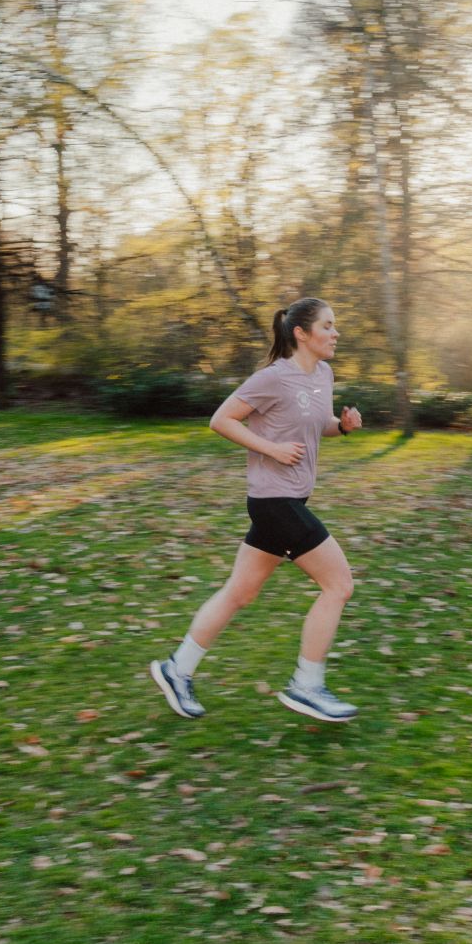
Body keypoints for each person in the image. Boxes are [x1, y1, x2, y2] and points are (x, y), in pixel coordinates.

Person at [151, 297, 364, 723]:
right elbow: (221, 419)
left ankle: (177, 669)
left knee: (240, 592)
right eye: (327, 325)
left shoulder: (323, 374)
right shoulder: (272, 378)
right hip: (273, 501)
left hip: (292, 499)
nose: (335, 333)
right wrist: (271, 448)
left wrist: (341, 427)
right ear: (301, 333)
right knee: (339, 585)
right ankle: (307, 686)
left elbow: (314, 423)